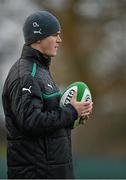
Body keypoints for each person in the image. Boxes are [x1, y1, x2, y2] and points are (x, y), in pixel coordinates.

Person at [2, 11, 93, 179]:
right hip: (37, 174)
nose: (59, 40)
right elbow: (31, 122)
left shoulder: (41, 71)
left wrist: (76, 115)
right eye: (54, 35)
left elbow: (49, 121)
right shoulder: (26, 75)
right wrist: (71, 112)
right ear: (38, 37)